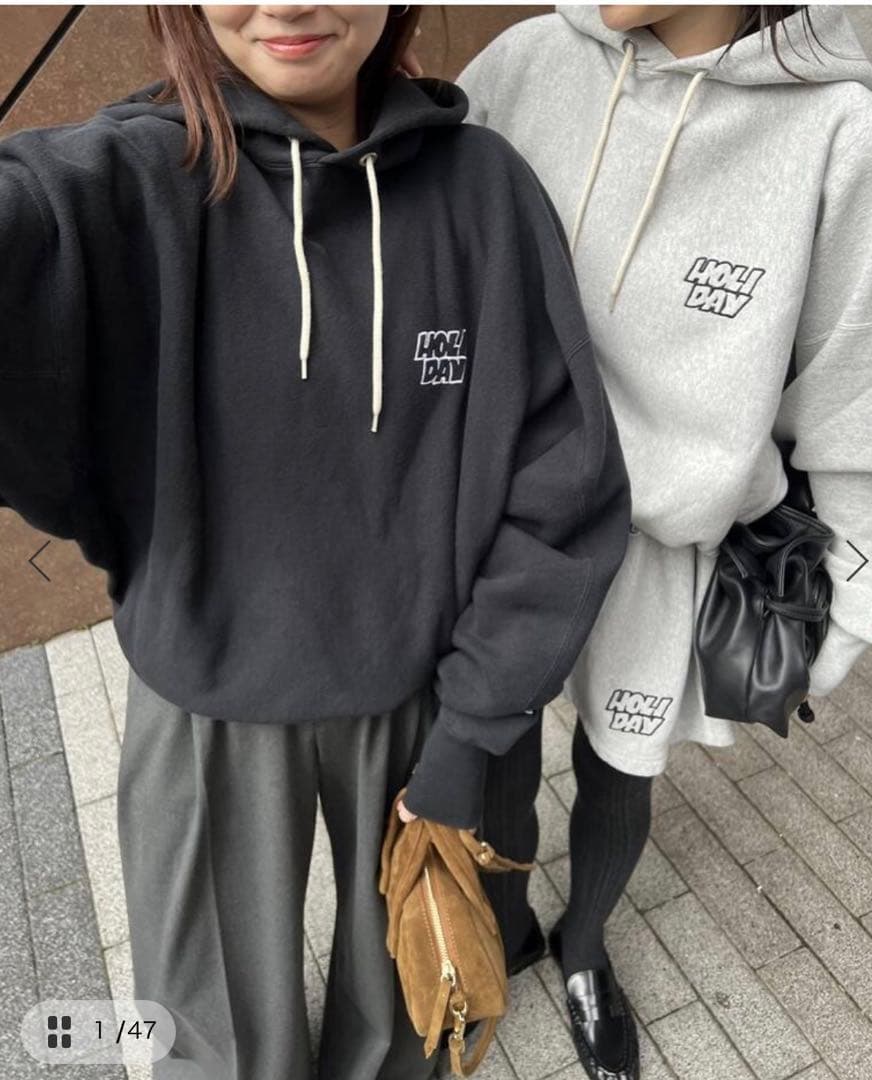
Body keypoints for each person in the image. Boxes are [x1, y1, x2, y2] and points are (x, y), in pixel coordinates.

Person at [0, 4, 632, 1079]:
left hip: (424, 704)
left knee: (402, 1031)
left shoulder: (484, 191)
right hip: (205, 707)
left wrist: (474, 730)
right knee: (210, 1046)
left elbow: (561, 484)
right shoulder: (133, 181)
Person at [447, 5, 872, 1077]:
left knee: (620, 762)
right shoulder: (526, 59)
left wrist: (861, 586)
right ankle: (504, 927)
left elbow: (857, 380)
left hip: (664, 535)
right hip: (501, 511)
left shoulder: (843, 135)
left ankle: (584, 949)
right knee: (495, 745)